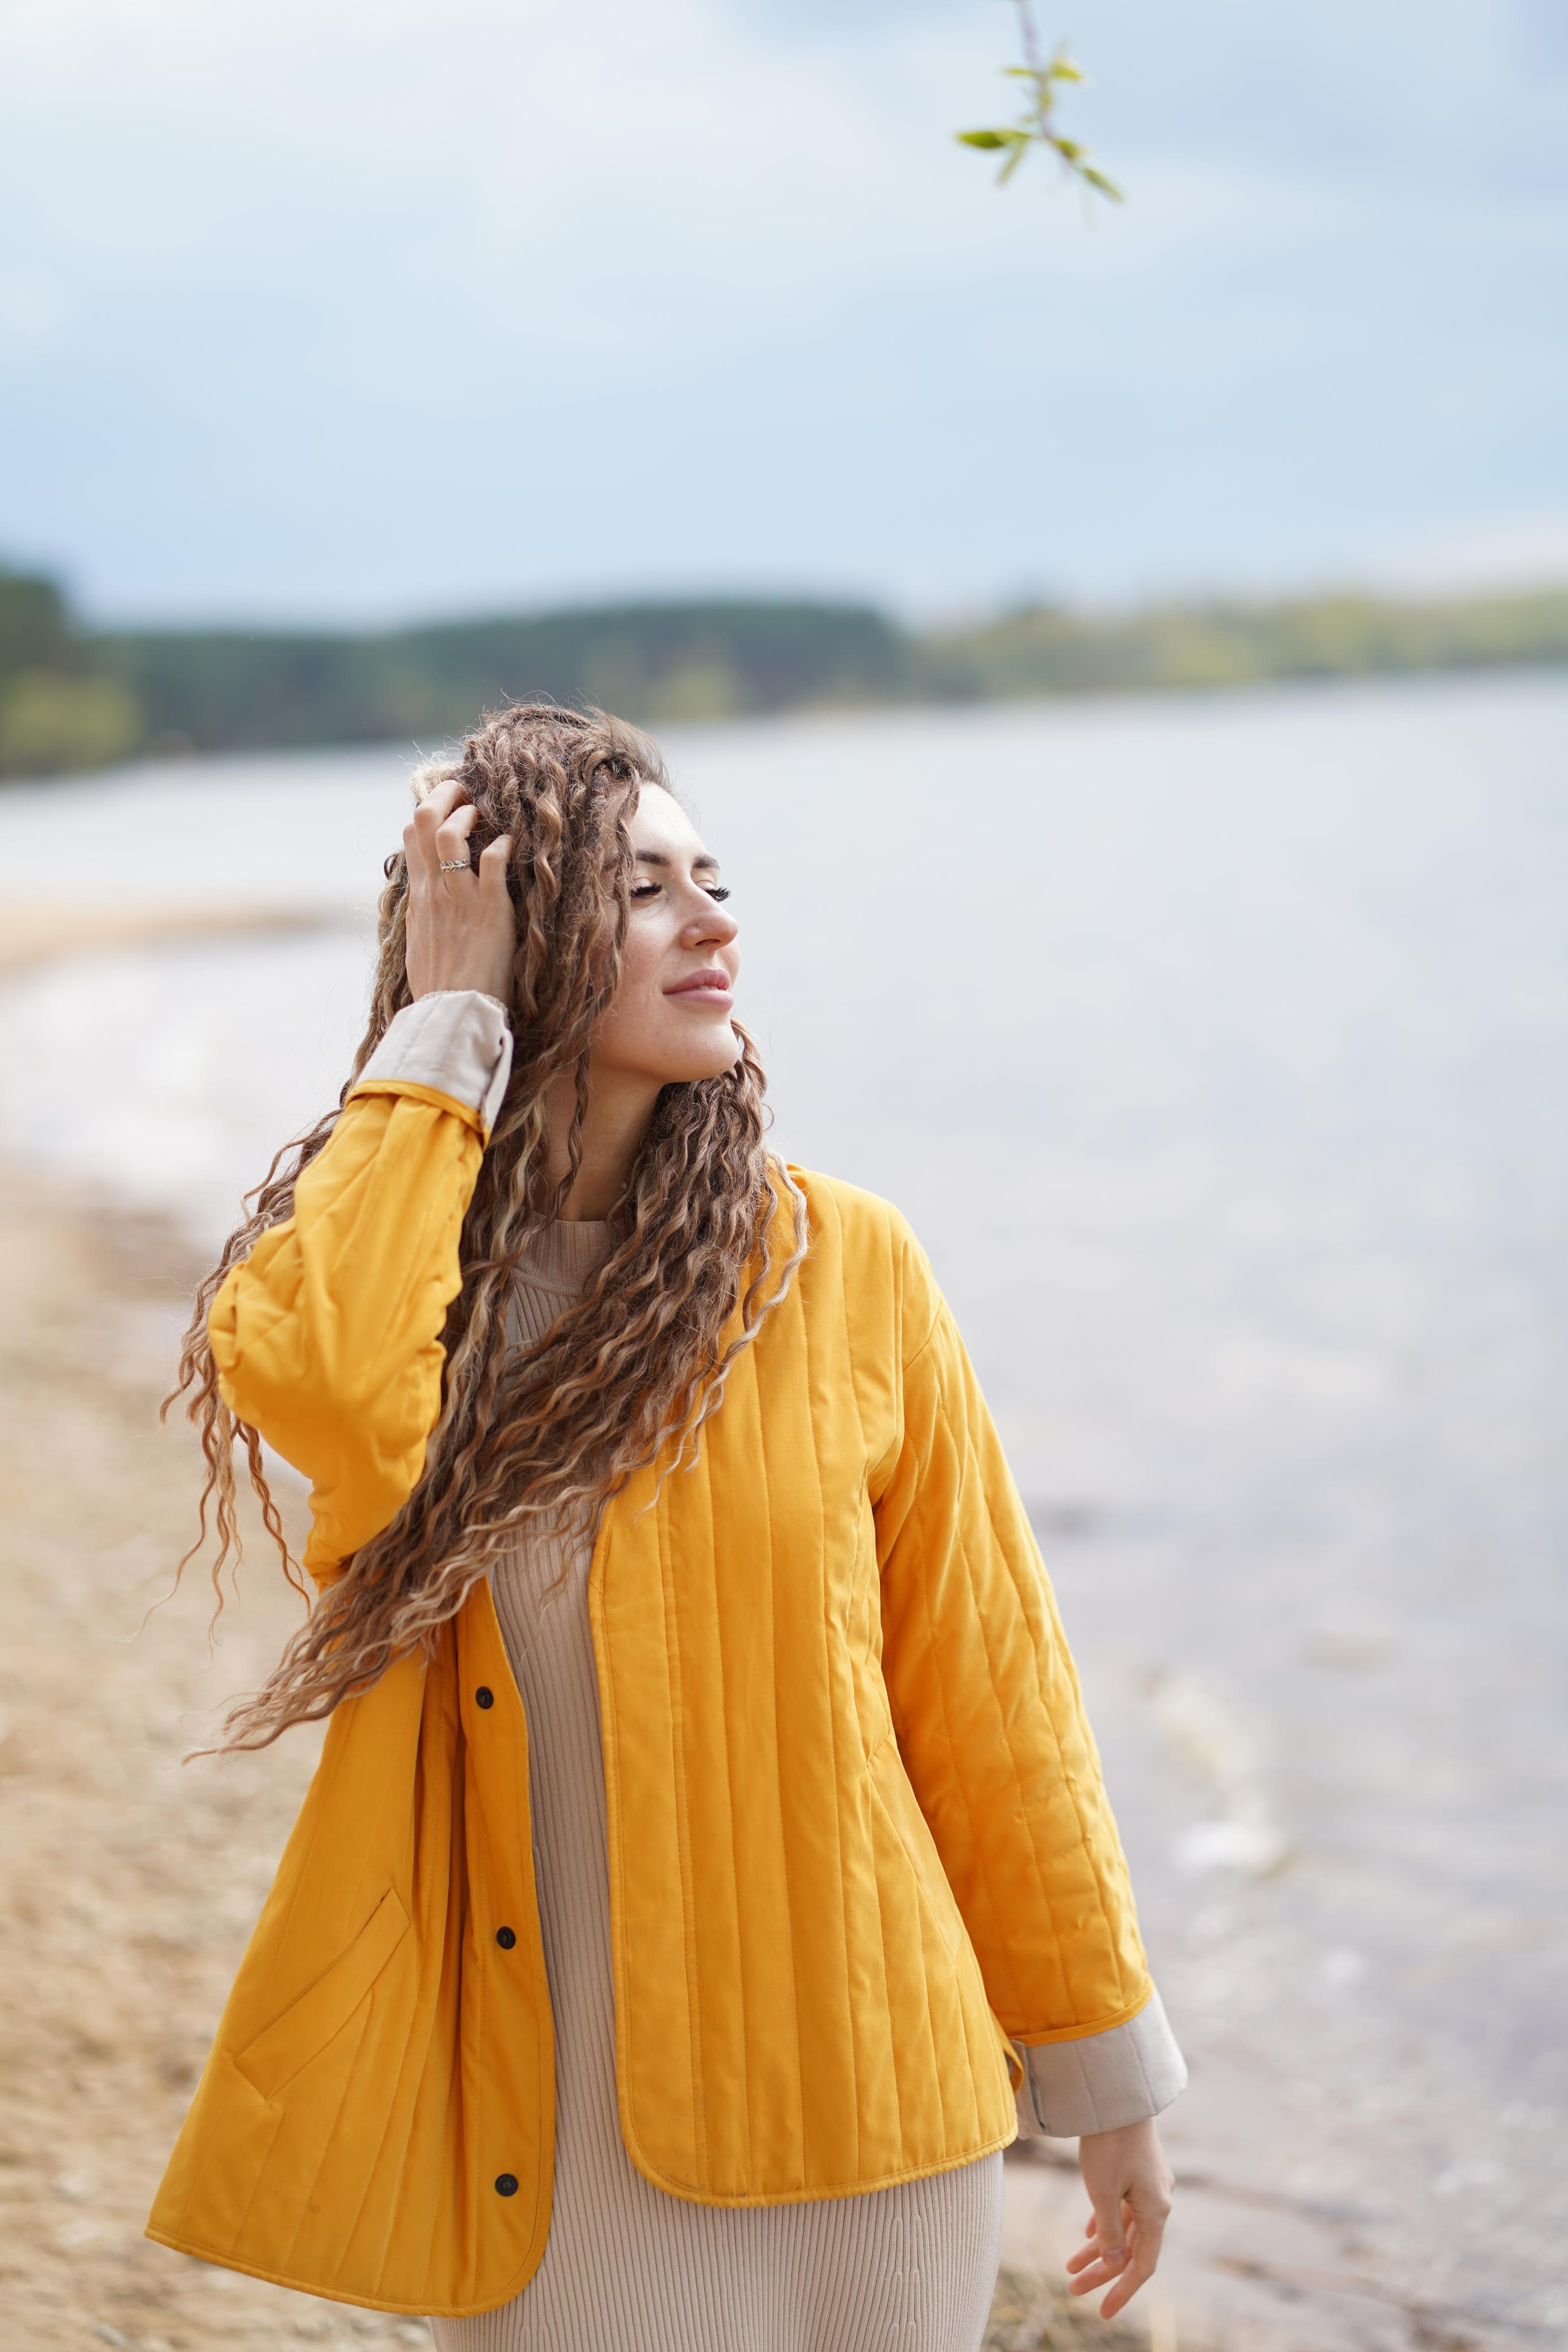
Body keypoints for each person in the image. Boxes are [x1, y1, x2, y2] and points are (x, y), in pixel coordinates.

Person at [147, 704, 1186, 2351]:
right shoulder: (405, 1291)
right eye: (642, 889)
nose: (714, 920)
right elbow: (335, 1393)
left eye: (714, 877)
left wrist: (1106, 2068)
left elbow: (992, 1698)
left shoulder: (844, 1264)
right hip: (561, 2160)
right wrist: (448, 1025)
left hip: (888, 2116)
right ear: (508, 939)